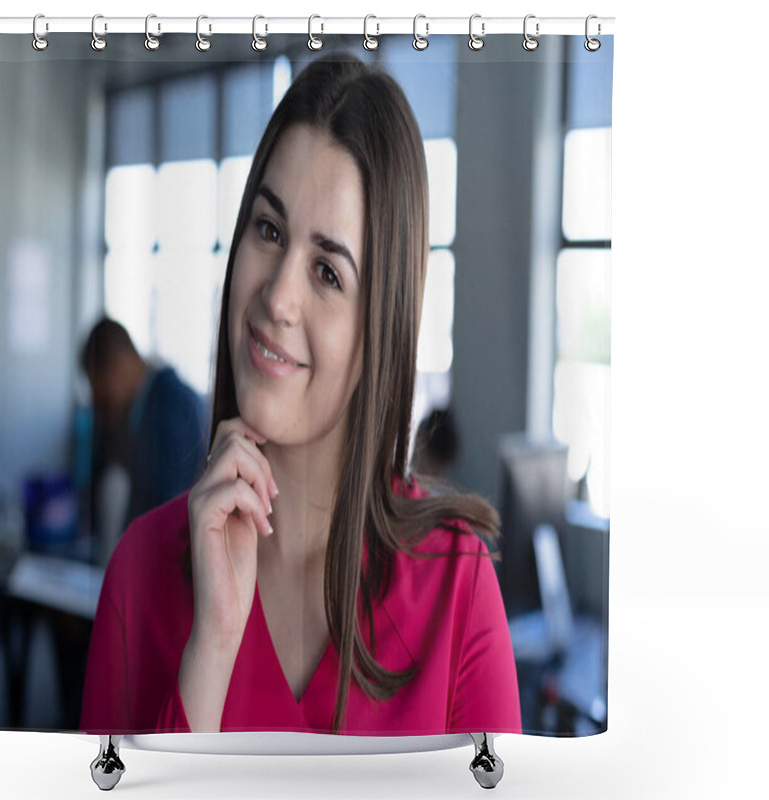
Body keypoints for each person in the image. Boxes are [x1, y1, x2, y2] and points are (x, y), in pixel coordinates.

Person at [81, 55, 521, 736]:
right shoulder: (140, 573)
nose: (278, 297)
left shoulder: (455, 585)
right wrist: (213, 649)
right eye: (268, 229)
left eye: (327, 271)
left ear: (383, 325)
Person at [80, 317, 206, 537]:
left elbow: (169, 509)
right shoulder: (141, 405)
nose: (98, 402)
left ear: (119, 364)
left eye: (99, 388)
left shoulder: (171, 404)